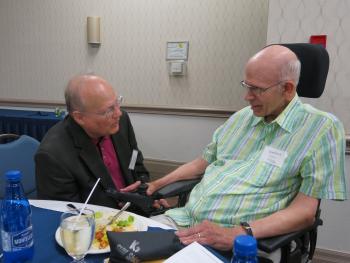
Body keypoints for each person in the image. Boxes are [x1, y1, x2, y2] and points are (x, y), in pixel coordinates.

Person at [129, 45, 348, 252]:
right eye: (246, 86)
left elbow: (305, 212)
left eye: (257, 89)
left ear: (288, 89)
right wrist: (156, 184)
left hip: (239, 240)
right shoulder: (241, 118)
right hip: (184, 220)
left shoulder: (321, 129)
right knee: (121, 246)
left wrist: (238, 233)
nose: (247, 96)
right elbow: (201, 164)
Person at [35, 74, 149, 209]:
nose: (118, 113)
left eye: (117, 103)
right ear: (79, 117)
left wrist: (145, 190)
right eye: (108, 110)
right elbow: (67, 214)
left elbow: (135, 161)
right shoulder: (53, 155)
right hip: (99, 222)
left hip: (136, 209)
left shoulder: (121, 121)